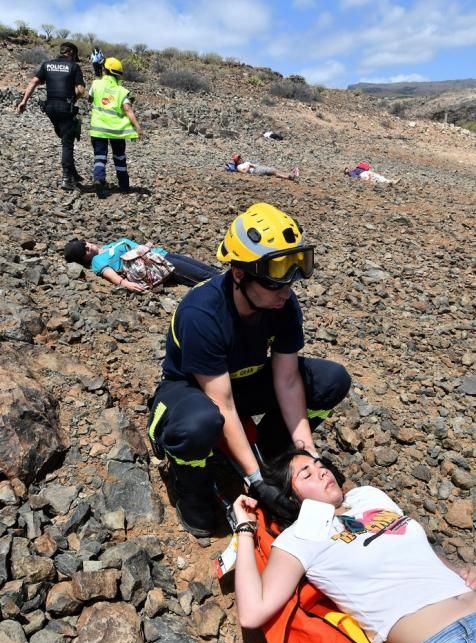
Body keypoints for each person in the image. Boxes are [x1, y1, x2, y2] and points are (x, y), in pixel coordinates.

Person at [148, 203, 351, 537]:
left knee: (331, 380)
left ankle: (277, 451)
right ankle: (190, 478)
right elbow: (222, 403)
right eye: (275, 282)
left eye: (292, 277)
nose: (287, 291)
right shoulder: (202, 313)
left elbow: (287, 381)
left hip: (245, 382)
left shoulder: (282, 303)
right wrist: (256, 480)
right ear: (240, 274)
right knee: (199, 424)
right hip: (195, 391)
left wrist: (307, 452)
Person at [233, 448, 476, 643]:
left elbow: (416, 549)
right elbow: (253, 612)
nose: (322, 472)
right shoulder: (300, 537)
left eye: (320, 465)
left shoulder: (368, 496)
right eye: (307, 474)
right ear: (290, 497)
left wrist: (459, 571)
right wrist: (245, 528)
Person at [17, 42, 85, 191]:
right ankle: (67, 179)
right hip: (65, 107)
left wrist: (23, 101)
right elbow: (80, 90)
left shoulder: (47, 64)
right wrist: (72, 99)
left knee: (65, 136)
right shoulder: (74, 67)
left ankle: (73, 172)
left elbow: (34, 81)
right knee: (67, 142)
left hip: (50, 108)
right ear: (72, 53)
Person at [64, 238, 218, 292]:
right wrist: (125, 284)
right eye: (84, 251)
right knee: (204, 277)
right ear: (84, 258)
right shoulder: (97, 261)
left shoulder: (108, 246)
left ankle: (236, 282)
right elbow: (108, 273)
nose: (88, 247)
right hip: (159, 266)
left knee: (207, 270)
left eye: (84, 244)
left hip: (160, 254)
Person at [88, 57, 142, 194]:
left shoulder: (96, 84)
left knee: (100, 156)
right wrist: (137, 126)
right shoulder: (121, 91)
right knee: (119, 156)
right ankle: (124, 186)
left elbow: (90, 99)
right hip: (117, 131)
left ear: (105, 70)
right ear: (119, 73)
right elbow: (128, 109)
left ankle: (99, 180)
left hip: (98, 129)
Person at [226, 153, 299, 181]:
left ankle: (289, 175)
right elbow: (244, 172)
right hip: (255, 171)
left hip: (257, 168)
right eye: (239, 158)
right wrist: (249, 165)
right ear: (236, 160)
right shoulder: (239, 166)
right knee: (273, 171)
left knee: (274, 170)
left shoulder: (242, 163)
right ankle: (289, 177)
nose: (240, 158)